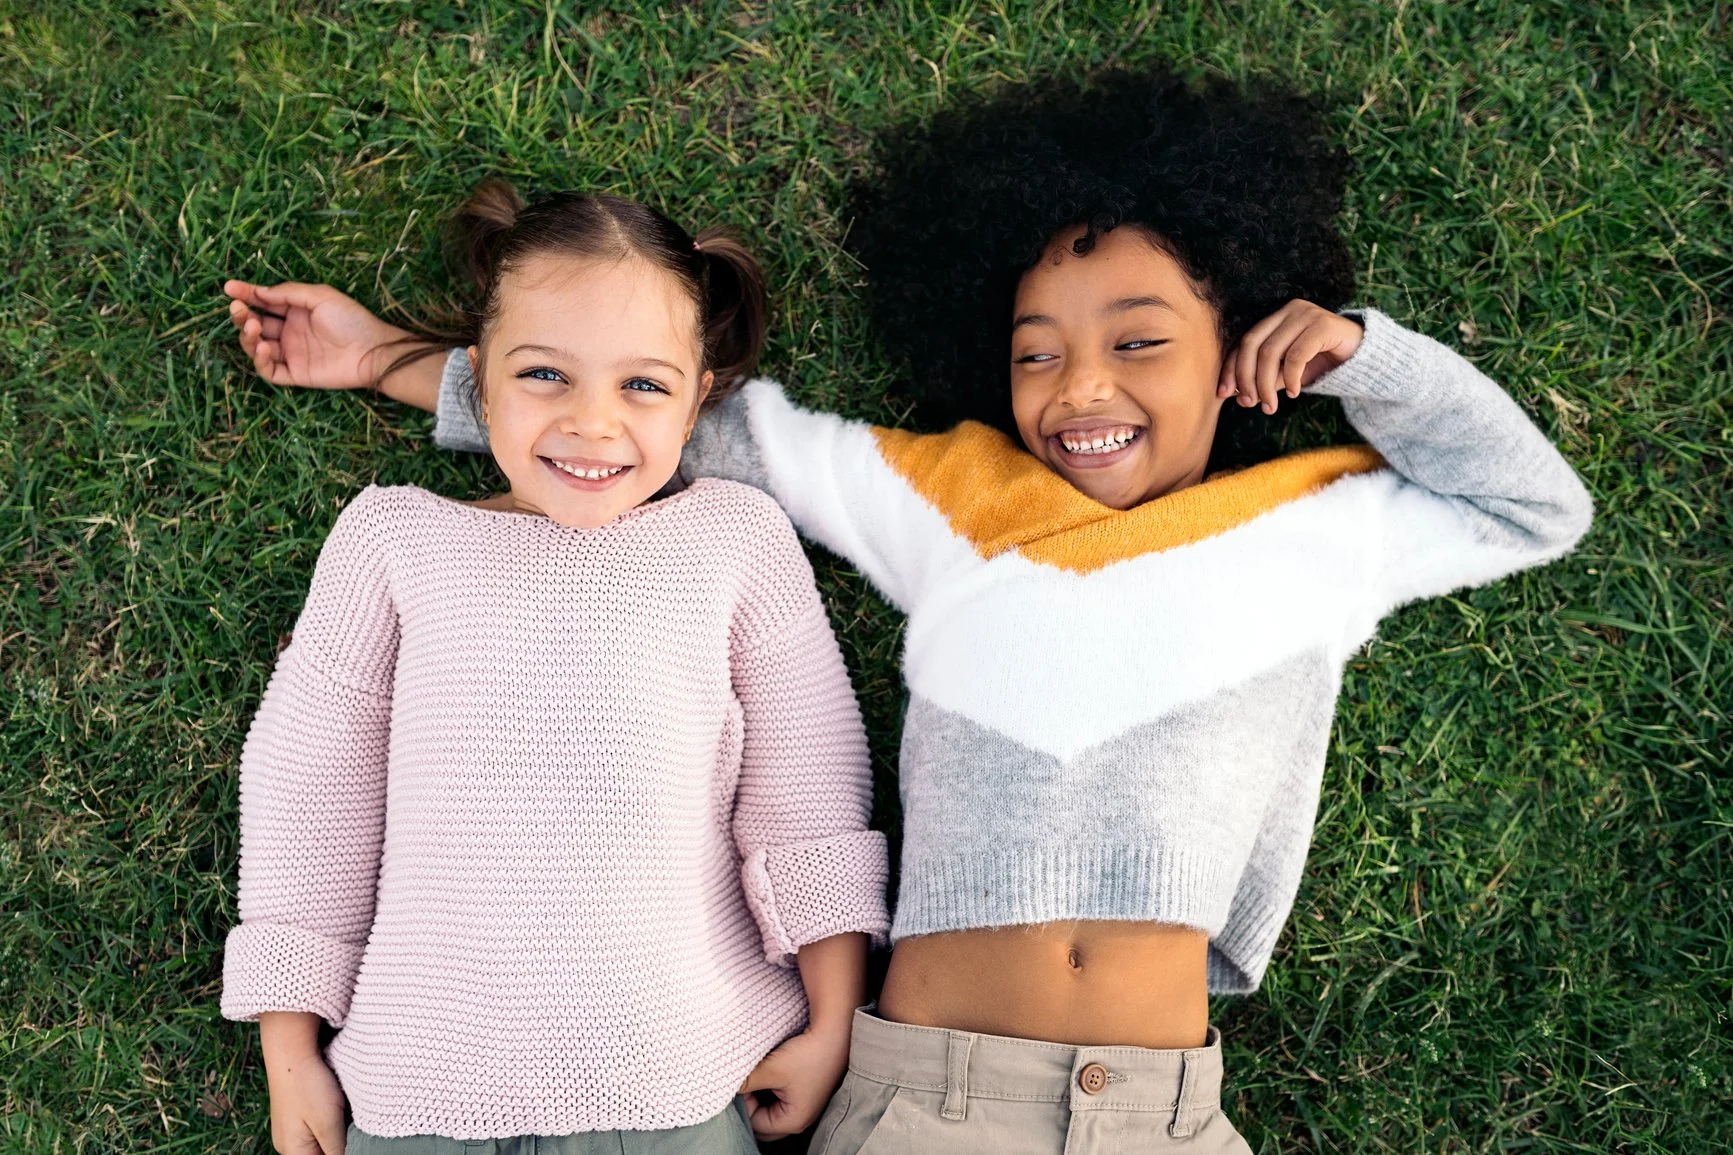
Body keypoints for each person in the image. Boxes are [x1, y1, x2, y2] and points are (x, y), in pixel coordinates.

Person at [230, 66, 1593, 1153]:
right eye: (1034, 351)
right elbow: (659, 427)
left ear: (1232, 341)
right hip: (923, 1096)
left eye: (1137, 340)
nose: (1080, 386)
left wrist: (1366, 354)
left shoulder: (1312, 530)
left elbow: (1536, 508)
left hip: (1167, 1104)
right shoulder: (952, 492)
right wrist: (392, 366)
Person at [219, 181, 891, 1155]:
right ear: (476, 375)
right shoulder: (392, 544)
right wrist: (292, 1056)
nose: (591, 424)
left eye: (643, 386)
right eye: (543, 376)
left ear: (698, 395)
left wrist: (833, 1023)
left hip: (680, 1088)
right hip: (417, 1095)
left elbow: (808, 799)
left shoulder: (734, 542)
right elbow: (308, 800)